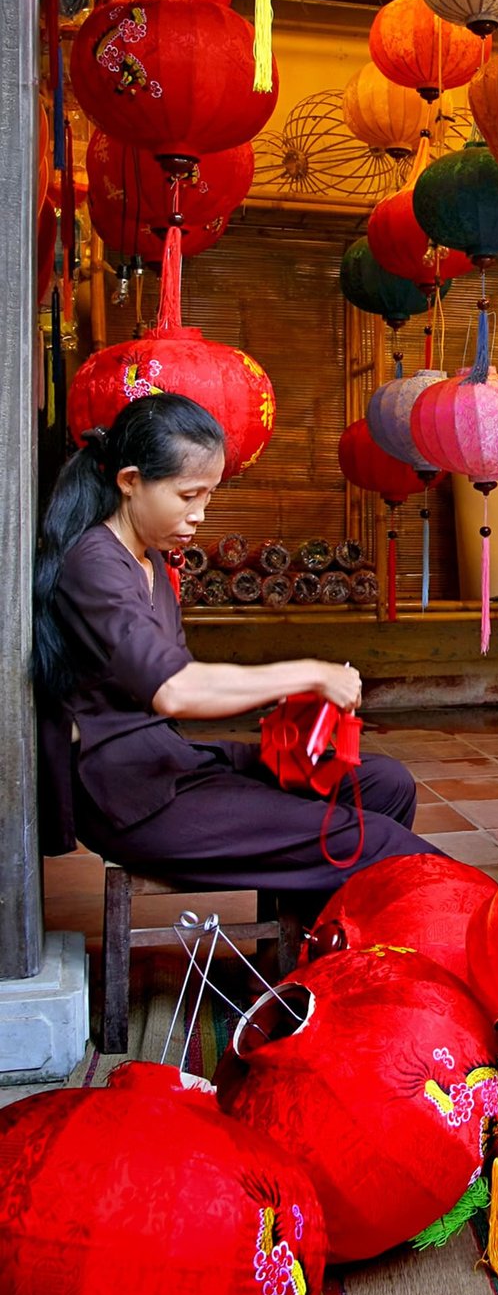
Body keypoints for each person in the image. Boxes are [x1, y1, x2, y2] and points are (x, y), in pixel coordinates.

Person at [34, 392, 438, 915]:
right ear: (129, 482)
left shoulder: (151, 561)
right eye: (187, 495)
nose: (200, 515)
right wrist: (308, 674)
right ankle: (487, 923)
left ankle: (301, 960)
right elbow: (173, 689)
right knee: (370, 839)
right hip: (130, 797)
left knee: (383, 786)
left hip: (168, 762)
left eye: (208, 496)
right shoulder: (94, 561)